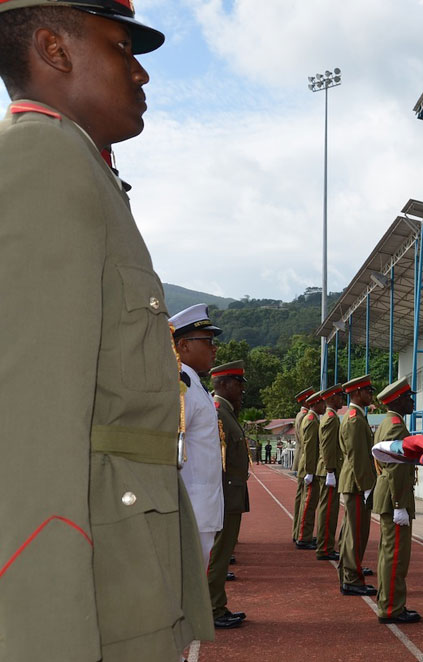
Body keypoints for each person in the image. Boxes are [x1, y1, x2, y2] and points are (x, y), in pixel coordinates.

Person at [0, 2, 212, 657]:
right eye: (122, 47)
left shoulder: (82, 165)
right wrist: (43, 629)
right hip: (88, 588)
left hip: (122, 566)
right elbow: (28, 418)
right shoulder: (42, 159)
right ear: (53, 49)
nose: (142, 73)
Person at [170, 304, 225, 567]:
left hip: (201, 504)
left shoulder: (194, 384)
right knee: (188, 586)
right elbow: (171, 447)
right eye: (207, 341)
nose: (214, 349)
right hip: (191, 504)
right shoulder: (182, 385)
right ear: (183, 346)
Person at [373, 378, 422, 624]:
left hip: (390, 495)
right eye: (408, 397)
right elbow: (394, 469)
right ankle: (392, 608)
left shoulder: (389, 423)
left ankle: (387, 601)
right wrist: (399, 504)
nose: (412, 401)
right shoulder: (395, 426)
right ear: (398, 400)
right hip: (395, 498)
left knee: (388, 553)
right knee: (395, 556)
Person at [207, 360, 250, 630]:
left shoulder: (227, 411)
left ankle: (216, 604)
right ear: (223, 385)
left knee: (221, 553)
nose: (241, 390)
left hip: (231, 492)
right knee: (218, 553)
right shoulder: (218, 412)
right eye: (237, 384)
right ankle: (212, 608)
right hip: (223, 493)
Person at [339, 374, 379, 596]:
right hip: (356, 482)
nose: (370, 395)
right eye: (367, 391)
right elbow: (356, 456)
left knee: (353, 531)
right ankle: (352, 578)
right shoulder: (354, 419)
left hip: (355, 481)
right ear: (356, 393)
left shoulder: (356, 416)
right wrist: (366, 486)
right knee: (356, 533)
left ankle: (350, 573)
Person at [315, 384, 346, 562]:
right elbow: (327, 446)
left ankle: (325, 545)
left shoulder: (330, 417)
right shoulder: (331, 418)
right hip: (329, 469)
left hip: (330, 468)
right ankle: (324, 547)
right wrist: (330, 471)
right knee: (328, 511)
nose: (342, 399)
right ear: (332, 399)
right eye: (339, 396)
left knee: (330, 509)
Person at [292, 391, 323, 549]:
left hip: (306, 463)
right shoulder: (310, 420)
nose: (324, 405)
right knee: (308, 502)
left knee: (305, 501)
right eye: (322, 402)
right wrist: (310, 470)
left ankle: (301, 533)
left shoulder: (308, 418)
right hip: (308, 464)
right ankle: (303, 536)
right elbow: (310, 447)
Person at [290, 386, 315, 543]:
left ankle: (298, 532)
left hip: (301, 460)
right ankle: (301, 533)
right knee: (305, 499)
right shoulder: (304, 416)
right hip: (304, 461)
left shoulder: (301, 415)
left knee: (301, 498)